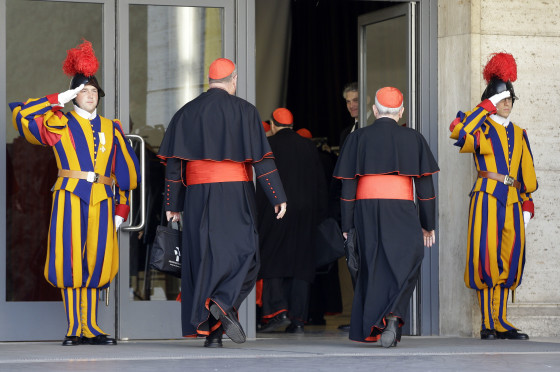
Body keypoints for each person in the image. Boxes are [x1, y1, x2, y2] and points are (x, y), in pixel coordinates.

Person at [9, 40, 140, 346]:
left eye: (94, 91)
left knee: (98, 263)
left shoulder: (113, 127)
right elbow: (23, 116)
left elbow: (123, 175)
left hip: (103, 201)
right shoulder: (59, 122)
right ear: (75, 97)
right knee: (70, 262)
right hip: (70, 196)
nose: (90, 95)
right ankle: (74, 328)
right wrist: (59, 98)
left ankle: (92, 327)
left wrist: (122, 210)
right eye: (83, 91)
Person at [158, 58, 287, 348]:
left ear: (209, 80)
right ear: (234, 79)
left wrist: (172, 204)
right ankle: (221, 306)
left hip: (196, 197)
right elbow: (262, 159)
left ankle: (213, 331)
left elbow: (174, 166)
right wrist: (277, 196)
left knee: (205, 260)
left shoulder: (186, 112)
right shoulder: (245, 111)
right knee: (248, 256)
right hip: (234, 192)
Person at [333, 87, 439, 347]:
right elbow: (425, 191)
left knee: (372, 265)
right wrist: (428, 225)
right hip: (401, 208)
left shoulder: (357, 138)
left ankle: (380, 321)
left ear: (374, 110)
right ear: (401, 111)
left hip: (365, 209)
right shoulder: (414, 138)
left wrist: (347, 225)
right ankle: (393, 316)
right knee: (409, 261)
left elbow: (347, 190)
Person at [449, 52, 537, 341]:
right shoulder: (481, 125)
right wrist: (485, 106)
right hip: (486, 196)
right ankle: (488, 323)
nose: (507, 104)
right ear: (491, 102)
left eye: (510, 100)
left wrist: (527, 206)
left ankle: (501, 320)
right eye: (502, 100)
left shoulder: (521, 133)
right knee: (486, 258)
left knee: (509, 258)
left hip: (512, 199)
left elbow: (526, 177)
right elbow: (459, 131)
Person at [256, 109, 327, 334]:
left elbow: (261, 181)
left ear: (273, 125)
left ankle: (276, 312)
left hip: (274, 209)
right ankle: (298, 319)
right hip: (305, 213)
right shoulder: (308, 146)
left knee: (272, 257)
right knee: (301, 264)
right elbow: (319, 183)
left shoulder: (268, 145)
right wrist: (320, 214)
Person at [339, 82, 374, 147]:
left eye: (356, 100)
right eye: (348, 102)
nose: (351, 106)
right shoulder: (345, 134)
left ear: (367, 100)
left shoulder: (378, 126)